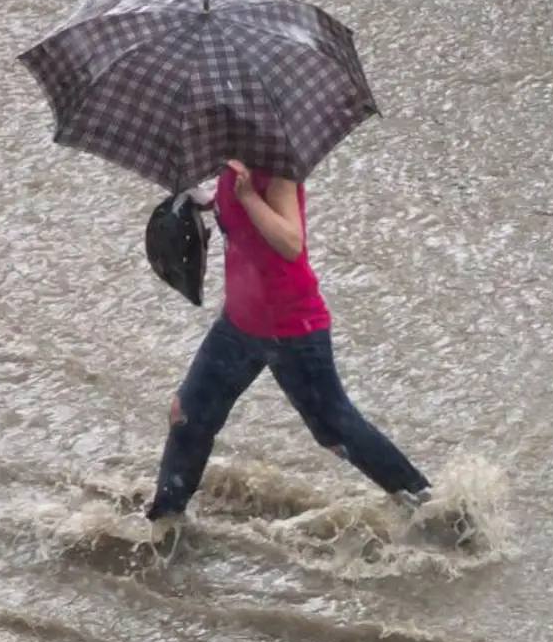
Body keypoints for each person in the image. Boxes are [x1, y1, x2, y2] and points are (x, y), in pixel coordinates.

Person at [145, 160, 473, 542]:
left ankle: (433, 511)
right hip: (238, 325)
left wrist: (249, 198)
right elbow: (233, 214)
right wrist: (201, 200)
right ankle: (165, 526)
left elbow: (290, 241)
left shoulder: (277, 164)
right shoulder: (231, 162)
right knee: (188, 415)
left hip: (293, 330)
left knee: (335, 431)